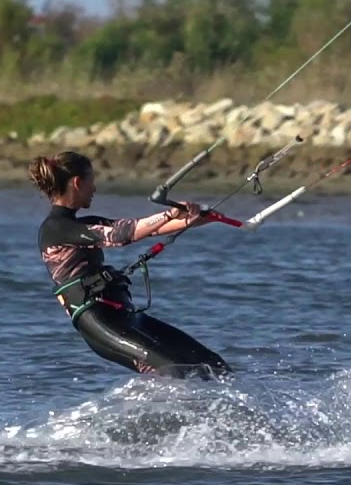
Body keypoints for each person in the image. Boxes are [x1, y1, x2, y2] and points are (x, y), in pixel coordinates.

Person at [28, 151, 233, 381]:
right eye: (91, 181)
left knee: (213, 365)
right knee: (173, 369)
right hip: (98, 322)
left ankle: (236, 415)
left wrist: (194, 219)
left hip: (123, 316)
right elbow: (121, 234)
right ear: (77, 183)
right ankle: (167, 415)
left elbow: (149, 229)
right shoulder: (55, 229)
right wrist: (168, 214)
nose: (94, 188)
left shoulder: (80, 224)